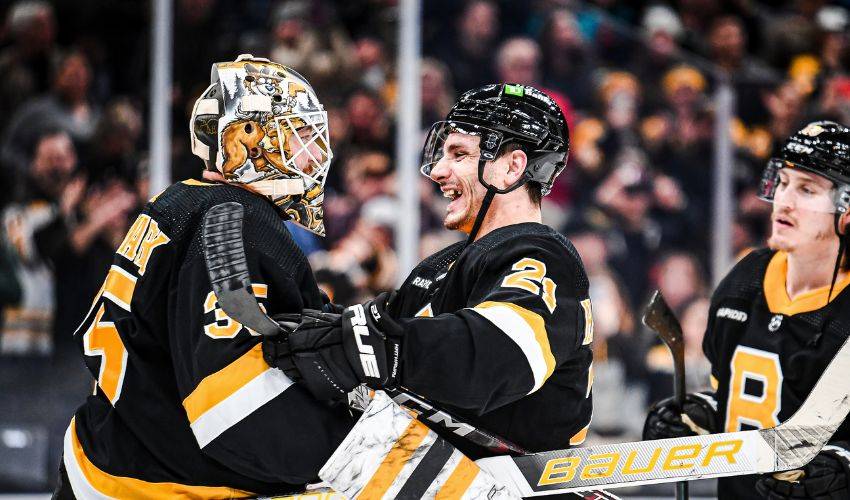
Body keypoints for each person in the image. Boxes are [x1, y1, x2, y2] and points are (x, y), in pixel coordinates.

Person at [53, 55, 356, 498]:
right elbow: (228, 405)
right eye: (299, 135)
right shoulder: (235, 222)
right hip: (153, 483)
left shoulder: (181, 201)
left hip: (112, 451)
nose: (313, 153)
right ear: (247, 141)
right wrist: (346, 449)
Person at [265, 83, 594, 459]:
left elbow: (499, 355)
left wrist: (378, 348)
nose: (437, 170)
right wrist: (303, 317)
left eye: (459, 154)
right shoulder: (441, 265)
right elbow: (379, 329)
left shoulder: (543, 255)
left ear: (512, 167)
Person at [643, 120, 850, 499]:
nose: (784, 201)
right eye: (783, 183)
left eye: (807, 189)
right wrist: (699, 415)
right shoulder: (747, 278)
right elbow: (734, 395)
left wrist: (841, 470)